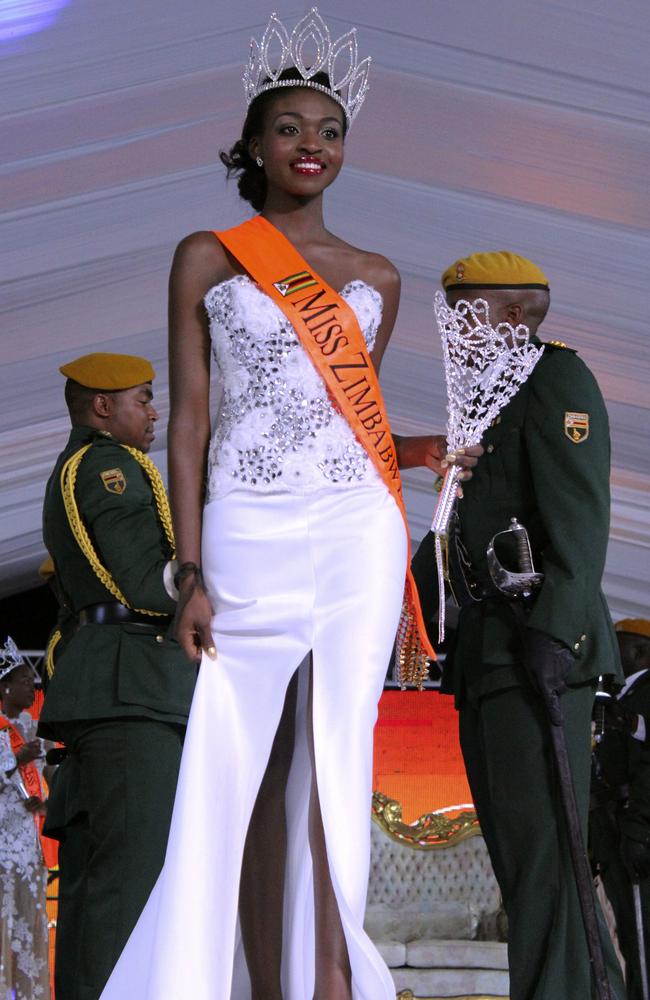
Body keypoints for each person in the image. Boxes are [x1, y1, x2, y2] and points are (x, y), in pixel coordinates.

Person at [98, 10, 480, 1000]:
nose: (311, 145)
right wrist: (186, 569)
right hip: (244, 530)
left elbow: (337, 426)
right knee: (235, 763)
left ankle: (324, 976)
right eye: (289, 128)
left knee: (335, 760)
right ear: (254, 146)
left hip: (353, 530)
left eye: (329, 130)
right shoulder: (208, 254)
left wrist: (412, 450)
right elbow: (190, 424)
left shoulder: (378, 279)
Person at [412, 251, 626, 1000]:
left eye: (462, 312)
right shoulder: (482, 397)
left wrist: (554, 631)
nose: (452, 329)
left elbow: (580, 519)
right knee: (527, 860)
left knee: (545, 861)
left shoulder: (553, 380)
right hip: (489, 653)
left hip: (537, 648)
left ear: (507, 314)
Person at [38, 352, 197, 1000]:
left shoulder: (85, 464)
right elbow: (144, 584)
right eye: (143, 399)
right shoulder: (111, 466)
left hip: (111, 687)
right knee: (129, 893)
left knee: (96, 890)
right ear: (102, 407)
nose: (154, 412)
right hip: (132, 689)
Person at [591, 617, 650, 1000]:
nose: (611, 655)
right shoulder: (622, 696)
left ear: (640, 650)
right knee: (629, 936)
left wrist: (639, 832)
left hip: (635, 827)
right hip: (616, 824)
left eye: (619, 645)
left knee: (642, 936)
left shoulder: (646, 691)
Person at [0, 635, 53, 1000]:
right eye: (24, 682)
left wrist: (41, 803)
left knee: (28, 927)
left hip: (27, 852)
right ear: (5, 686)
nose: (31, 688)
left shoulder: (22, 731)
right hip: (3, 853)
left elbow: (30, 789)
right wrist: (17, 760)